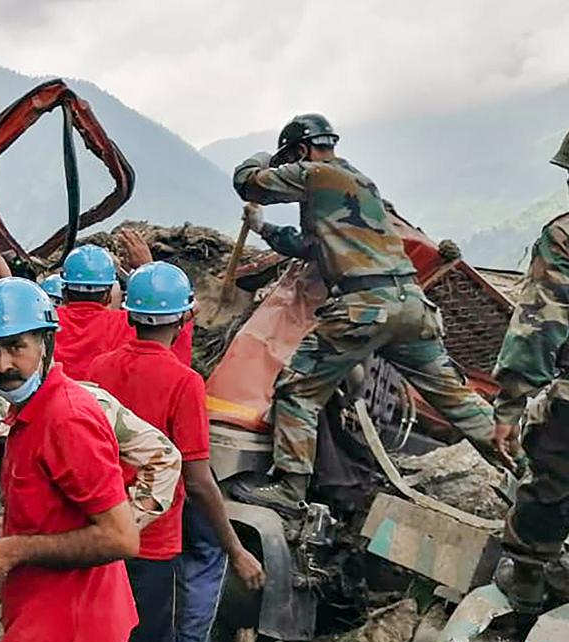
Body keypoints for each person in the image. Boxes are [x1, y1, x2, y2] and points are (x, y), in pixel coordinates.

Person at [227, 113, 500, 512]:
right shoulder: (362, 184)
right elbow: (313, 246)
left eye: (292, 159)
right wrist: (266, 230)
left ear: (302, 151)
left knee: (297, 388)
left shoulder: (315, 173)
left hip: (364, 308)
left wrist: (264, 160)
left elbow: (246, 182)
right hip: (412, 307)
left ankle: (290, 487)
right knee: (459, 402)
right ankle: (525, 471)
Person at [0, 319, 182, 642]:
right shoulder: (64, 402)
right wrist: (16, 527)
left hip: (58, 615)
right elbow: (164, 458)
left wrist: (109, 526)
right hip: (72, 606)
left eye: (16, 348)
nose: (3, 366)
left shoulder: (40, 414)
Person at [0, 277, 139, 642]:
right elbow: (61, 516)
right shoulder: (27, 414)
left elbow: (121, 537)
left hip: (67, 639)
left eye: (16, 346)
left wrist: (14, 549)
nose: (2, 365)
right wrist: (6, 529)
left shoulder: (66, 418)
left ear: (47, 342)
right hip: (38, 627)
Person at [87, 262, 265, 642]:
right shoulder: (185, 383)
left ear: (128, 313)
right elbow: (198, 480)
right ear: (185, 317)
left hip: (101, 530)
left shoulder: (99, 369)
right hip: (152, 544)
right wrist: (234, 549)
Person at [490, 130, 569, 612]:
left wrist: (511, 405)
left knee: (551, 475)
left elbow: (541, 324)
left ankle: (526, 579)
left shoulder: (563, 236)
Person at [54, 242, 191, 379]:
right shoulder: (122, 323)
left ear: (64, 292)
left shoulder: (49, 321)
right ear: (108, 295)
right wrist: (149, 271)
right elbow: (164, 336)